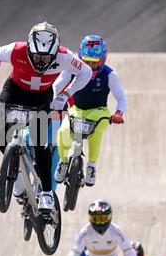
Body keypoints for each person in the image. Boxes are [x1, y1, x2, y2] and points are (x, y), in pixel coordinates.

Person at [0, 21, 92, 213]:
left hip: (42, 96)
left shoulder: (65, 56)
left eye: (46, 57)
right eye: (37, 55)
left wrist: (64, 95)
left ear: (55, 53)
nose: (40, 61)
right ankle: (17, 164)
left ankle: (47, 193)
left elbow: (86, 72)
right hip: (14, 90)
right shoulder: (17, 50)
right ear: (29, 49)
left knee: (40, 144)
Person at [54, 35, 127, 186]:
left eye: (94, 63)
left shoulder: (109, 75)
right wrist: (52, 97)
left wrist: (118, 113)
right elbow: (58, 83)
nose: (90, 65)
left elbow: (121, 97)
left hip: (99, 111)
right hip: (77, 109)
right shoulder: (71, 69)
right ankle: (63, 162)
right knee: (63, 131)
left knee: (96, 132)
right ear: (80, 57)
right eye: (86, 61)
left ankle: (91, 166)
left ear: (103, 60)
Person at [67, 199, 137, 256]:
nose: (99, 223)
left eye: (102, 219)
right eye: (96, 219)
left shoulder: (117, 231)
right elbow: (74, 254)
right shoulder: (84, 232)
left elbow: (130, 252)